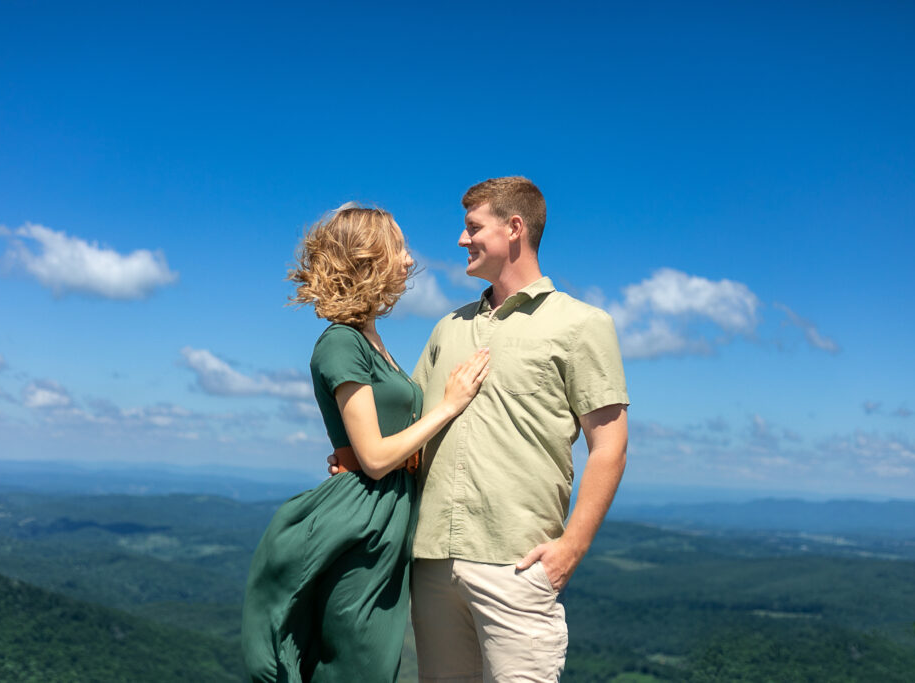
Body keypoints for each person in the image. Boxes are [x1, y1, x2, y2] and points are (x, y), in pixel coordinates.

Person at [330, 176, 630, 681]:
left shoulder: (582, 324)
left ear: (514, 228)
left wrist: (570, 549)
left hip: (516, 564)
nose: (461, 240)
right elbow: (416, 430)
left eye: (472, 227)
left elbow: (611, 446)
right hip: (428, 562)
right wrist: (357, 457)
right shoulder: (448, 326)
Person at [241, 205, 490, 683]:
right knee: (361, 666)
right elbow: (376, 458)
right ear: (369, 257)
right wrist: (449, 406)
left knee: (374, 664)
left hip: (387, 518)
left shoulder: (373, 341)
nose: (408, 259)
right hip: (362, 522)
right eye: (398, 246)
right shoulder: (341, 343)